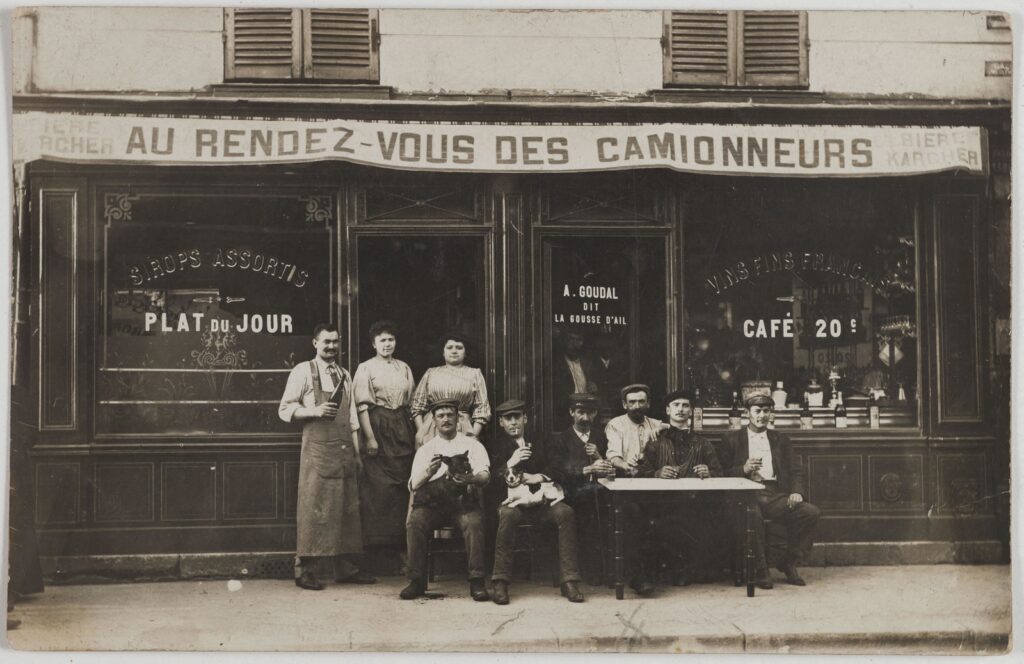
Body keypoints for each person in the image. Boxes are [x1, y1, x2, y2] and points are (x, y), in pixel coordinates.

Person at [279, 323, 377, 590]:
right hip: (318, 451)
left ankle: (343, 568)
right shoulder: (303, 371)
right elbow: (285, 409)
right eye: (326, 342)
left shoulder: (345, 374)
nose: (331, 347)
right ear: (315, 343)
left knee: (346, 509)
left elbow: (353, 416)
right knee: (313, 507)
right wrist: (315, 411)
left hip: (344, 449)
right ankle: (305, 570)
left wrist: (357, 453)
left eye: (335, 342)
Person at [719, 394, 821, 588]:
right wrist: (743, 469)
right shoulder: (731, 439)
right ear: (747, 413)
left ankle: (788, 561)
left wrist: (796, 492)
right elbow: (721, 472)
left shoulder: (780, 439)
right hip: (745, 494)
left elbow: (795, 470)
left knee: (810, 513)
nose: (762, 415)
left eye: (766, 411)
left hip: (774, 494)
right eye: (757, 411)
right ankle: (760, 569)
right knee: (753, 516)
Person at [490, 400, 584, 605]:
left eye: (517, 417)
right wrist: (510, 462)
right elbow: (488, 481)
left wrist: (538, 477)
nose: (513, 422)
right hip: (514, 505)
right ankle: (500, 582)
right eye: (508, 418)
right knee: (506, 515)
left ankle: (569, 580)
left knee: (565, 512)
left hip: (543, 503)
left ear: (525, 419)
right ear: (501, 423)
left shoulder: (543, 441)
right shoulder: (494, 445)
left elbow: (559, 466)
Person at [401, 399, 491, 601]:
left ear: (458, 418)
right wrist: (428, 472)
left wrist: (469, 478)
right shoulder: (426, 449)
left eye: (450, 415)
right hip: (434, 505)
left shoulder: (473, 445)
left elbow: (485, 476)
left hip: (463, 503)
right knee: (415, 521)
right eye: (441, 416)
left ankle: (477, 581)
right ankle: (416, 581)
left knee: (474, 522)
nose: (446, 419)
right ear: (434, 421)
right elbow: (413, 484)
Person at [637, 389, 723, 585]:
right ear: (668, 410)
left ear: (691, 411)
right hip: (661, 504)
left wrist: (708, 472)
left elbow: (720, 472)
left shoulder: (703, 444)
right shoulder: (655, 444)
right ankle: (651, 576)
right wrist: (657, 473)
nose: (681, 410)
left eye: (685, 406)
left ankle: (684, 570)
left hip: (695, 505)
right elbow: (642, 472)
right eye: (676, 405)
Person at [353, 320, 417, 549]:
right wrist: (370, 438)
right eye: (382, 340)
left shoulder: (404, 367)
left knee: (402, 487)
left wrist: (417, 433)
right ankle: (379, 549)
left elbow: (412, 403)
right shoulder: (366, 368)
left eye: (391, 339)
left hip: (402, 427)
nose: (387, 344)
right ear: (374, 344)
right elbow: (361, 406)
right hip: (377, 427)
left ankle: (401, 546)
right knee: (380, 490)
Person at [553, 393, 614, 585]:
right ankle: (587, 570)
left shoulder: (601, 437)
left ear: (595, 413)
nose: (585, 418)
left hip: (599, 492)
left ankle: (607, 571)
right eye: (580, 412)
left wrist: (598, 456)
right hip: (570, 493)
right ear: (572, 412)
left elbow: (610, 469)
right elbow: (557, 471)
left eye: (589, 413)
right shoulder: (561, 439)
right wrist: (587, 469)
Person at [410, 333, 491, 447]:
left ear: (465, 352)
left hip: (463, 428)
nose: (454, 351)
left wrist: (473, 434)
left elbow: (482, 408)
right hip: (431, 428)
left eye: (459, 348)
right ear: (443, 352)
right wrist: (421, 431)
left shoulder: (474, 374)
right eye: (449, 347)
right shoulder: (431, 373)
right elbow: (417, 406)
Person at [605, 384, 668, 477]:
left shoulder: (655, 424)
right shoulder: (615, 424)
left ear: (648, 403)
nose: (637, 406)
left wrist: (664, 427)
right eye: (632, 402)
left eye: (641, 401)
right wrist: (624, 465)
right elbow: (613, 455)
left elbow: (676, 428)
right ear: (624, 404)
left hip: (652, 477)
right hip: (627, 477)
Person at [552, 328, 599, 417]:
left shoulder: (589, 364)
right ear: (564, 341)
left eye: (579, 340)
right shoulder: (556, 365)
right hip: (565, 413)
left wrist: (595, 388)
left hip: (588, 411)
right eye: (571, 339)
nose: (575, 344)